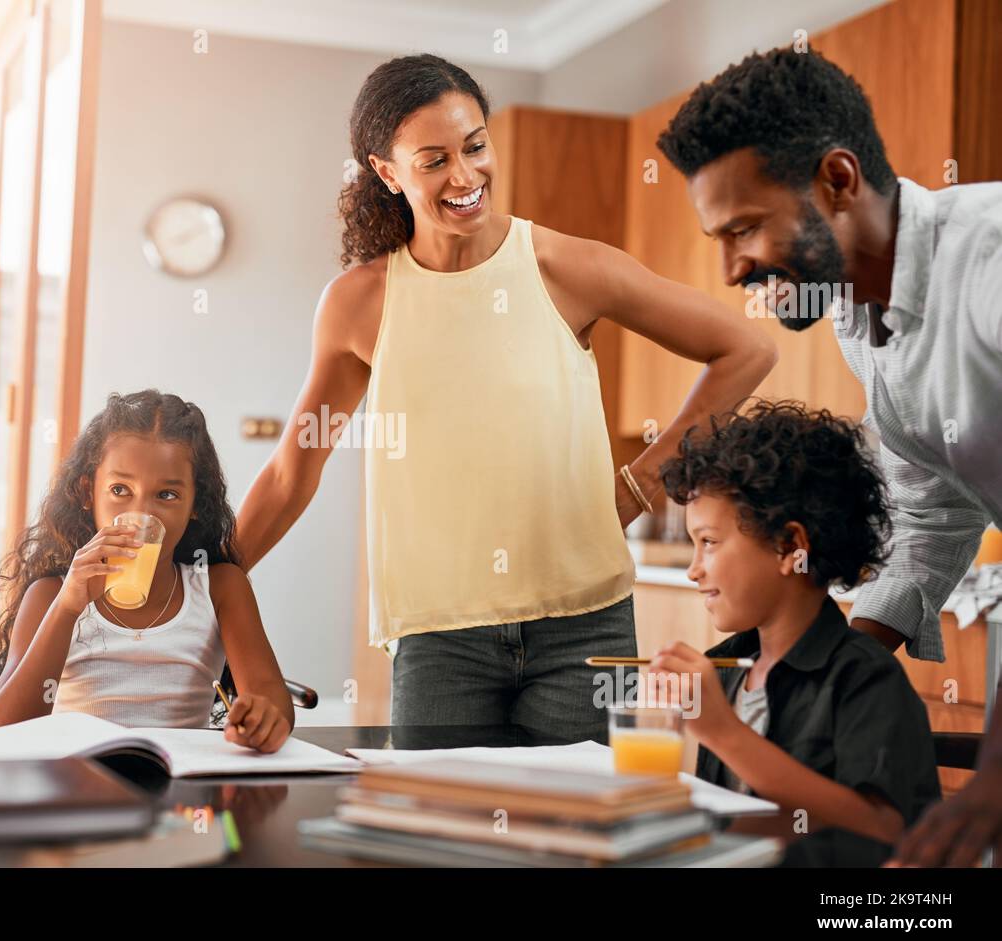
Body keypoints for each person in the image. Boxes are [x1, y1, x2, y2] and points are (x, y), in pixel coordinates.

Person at [235, 54, 776, 740]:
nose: (464, 176)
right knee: (442, 843)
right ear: (387, 172)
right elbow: (292, 472)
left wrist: (640, 482)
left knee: (567, 842)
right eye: (433, 160)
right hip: (440, 639)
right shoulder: (360, 305)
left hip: (582, 626)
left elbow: (748, 348)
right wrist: (205, 584)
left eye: (476, 146)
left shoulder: (566, 267)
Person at [657, 44, 1002, 864]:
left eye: (743, 228)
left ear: (838, 182)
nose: (732, 266)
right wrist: (827, 663)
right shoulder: (856, 311)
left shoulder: (987, 268)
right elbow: (931, 508)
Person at [651, 400, 940, 844]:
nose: (693, 569)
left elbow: (884, 828)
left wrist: (723, 733)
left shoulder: (865, 680)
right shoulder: (723, 670)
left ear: (789, 547)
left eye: (708, 542)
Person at [0, 390, 294, 752]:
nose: (143, 514)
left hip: (181, 794)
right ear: (87, 493)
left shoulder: (220, 587)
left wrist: (262, 717)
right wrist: (67, 608)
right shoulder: (51, 594)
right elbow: (3, 730)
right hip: (78, 788)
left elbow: (271, 699)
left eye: (167, 495)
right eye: (120, 489)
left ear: (196, 505)